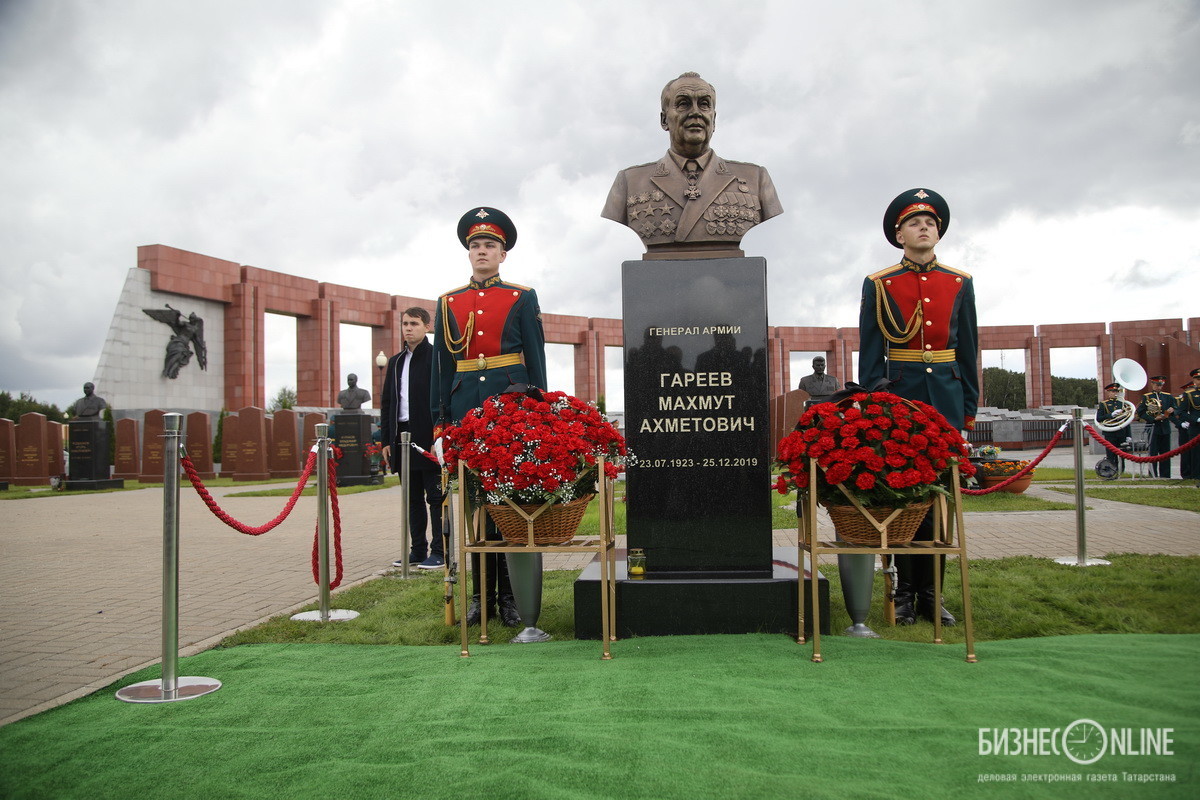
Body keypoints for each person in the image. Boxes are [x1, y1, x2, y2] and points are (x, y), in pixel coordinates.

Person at [857, 188, 978, 630]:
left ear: (938, 231)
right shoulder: (881, 284)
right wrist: (874, 407)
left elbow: (967, 352)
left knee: (940, 499)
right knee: (902, 496)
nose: (924, 227)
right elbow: (871, 355)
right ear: (898, 233)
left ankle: (932, 595)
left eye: (930, 222)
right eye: (914, 222)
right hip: (901, 398)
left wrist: (967, 412)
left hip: (944, 398)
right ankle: (903, 593)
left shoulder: (959, 282)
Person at [431, 207, 547, 628]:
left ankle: (512, 598)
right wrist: (440, 420)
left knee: (510, 505)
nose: (482, 251)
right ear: (468, 253)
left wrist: (540, 409)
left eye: (490, 246)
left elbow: (535, 357)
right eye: (476, 245)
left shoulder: (521, 296)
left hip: (511, 411)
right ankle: (481, 597)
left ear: (502, 254)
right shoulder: (448, 303)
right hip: (465, 412)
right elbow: (442, 368)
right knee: (477, 506)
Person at [601, 72, 782, 256]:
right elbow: (610, 246)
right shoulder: (630, 183)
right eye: (683, 104)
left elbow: (777, 244)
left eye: (704, 104)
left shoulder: (756, 180)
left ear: (714, 119)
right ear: (664, 120)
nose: (695, 112)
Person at [381, 307, 445, 570]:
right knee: (412, 498)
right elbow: (387, 403)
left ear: (427, 327)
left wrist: (438, 435)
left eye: (414, 323)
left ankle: (440, 551)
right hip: (401, 438)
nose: (408, 328)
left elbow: (442, 399)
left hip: (427, 436)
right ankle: (417, 550)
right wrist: (386, 440)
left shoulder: (437, 358)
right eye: (405, 323)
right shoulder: (396, 361)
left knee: (436, 497)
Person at [1136, 375, 1177, 478]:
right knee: (1153, 453)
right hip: (1153, 427)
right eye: (1157, 385)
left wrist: (1172, 410)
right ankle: (1153, 474)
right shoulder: (1147, 397)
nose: (1159, 387)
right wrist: (1153, 418)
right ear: (1152, 384)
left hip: (1165, 428)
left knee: (1165, 453)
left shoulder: (1167, 396)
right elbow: (1141, 412)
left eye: (1160, 385)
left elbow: (1175, 407)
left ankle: (1165, 475)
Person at [1096, 382, 1133, 476]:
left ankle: (1121, 472)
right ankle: (1111, 472)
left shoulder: (1123, 404)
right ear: (1108, 392)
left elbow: (1126, 420)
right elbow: (1099, 418)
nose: (1115, 393)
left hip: (1121, 432)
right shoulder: (1104, 404)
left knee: (1121, 454)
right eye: (1112, 391)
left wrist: (1128, 435)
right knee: (1111, 454)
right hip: (1110, 432)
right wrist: (1111, 415)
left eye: (1116, 391)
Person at [1175, 368, 1200, 484]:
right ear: (1194, 380)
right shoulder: (1189, 394)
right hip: (1196, 428)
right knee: (1196, 454)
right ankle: (1196, 476)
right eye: (1198, 379)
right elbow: (1180, 412)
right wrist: (1196, 419)